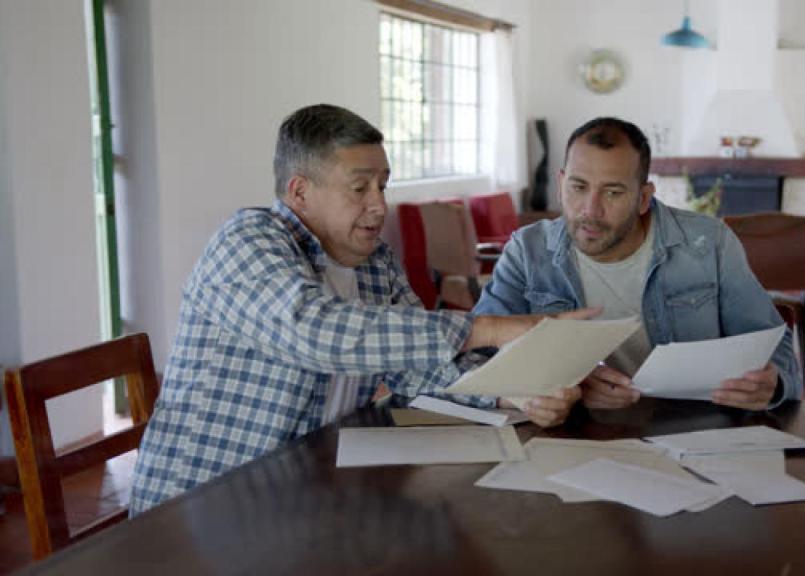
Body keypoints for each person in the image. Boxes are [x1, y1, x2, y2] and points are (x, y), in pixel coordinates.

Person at [130, 104, 590, 515]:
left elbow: (417, 369)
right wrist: (490, 328)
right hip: (203, 506)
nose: (379, 205)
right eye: (359, 188)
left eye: (383, 185)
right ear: (300, 192)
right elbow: (317, 333)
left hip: (309, 493)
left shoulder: (373, 262)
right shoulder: (245, 242)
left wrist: (515, 395)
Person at [474, 117, 801, 411]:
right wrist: (559, 387)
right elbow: (477, 354)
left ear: (644, 198)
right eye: (578, 187)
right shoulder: (526, 251)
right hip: (573, 431)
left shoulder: (708, 242)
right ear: (561, 184)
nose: (590, 209)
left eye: (613, 193)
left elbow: (773, 342)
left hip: (692, 429)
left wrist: (773, 384)